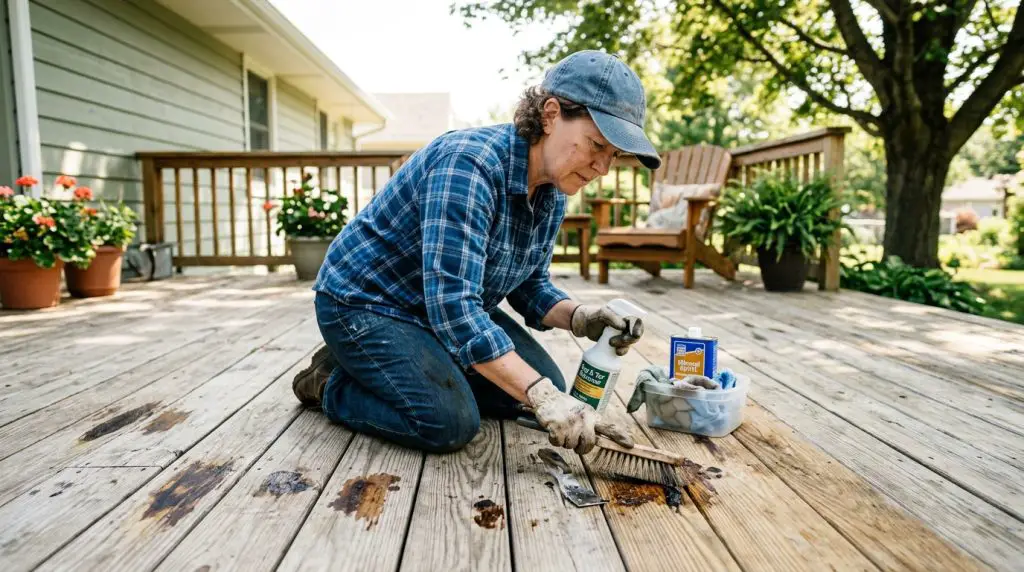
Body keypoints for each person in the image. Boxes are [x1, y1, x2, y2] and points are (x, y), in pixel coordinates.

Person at [291, 50, 662, 455]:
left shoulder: (554, 192)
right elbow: (454, 307)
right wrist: (541, 396)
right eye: (596, 145)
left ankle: (411, 364)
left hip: (438, 311)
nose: (603, 168)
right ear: (551, 114)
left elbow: (530, 286)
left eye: (613, 155)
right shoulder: (468, 165)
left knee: (539, 382)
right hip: (366, 304)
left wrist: (582, 318)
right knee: (448, 421)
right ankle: (332, 379)